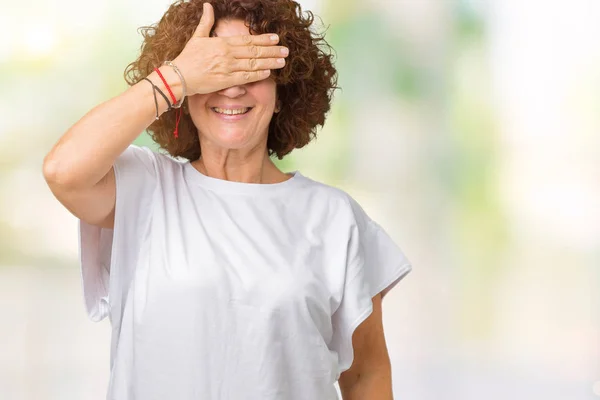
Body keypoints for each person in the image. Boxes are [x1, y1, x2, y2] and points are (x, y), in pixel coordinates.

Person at [43, 0, 412, 399]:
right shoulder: (146, 189)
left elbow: (366, 375)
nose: (233, 86)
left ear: (283, 86)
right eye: (216, 67)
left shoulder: (335, 219)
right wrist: (177, 77)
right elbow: (64, 171)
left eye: (252, 67)